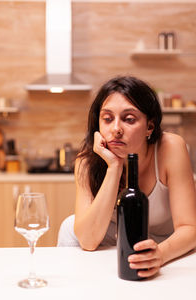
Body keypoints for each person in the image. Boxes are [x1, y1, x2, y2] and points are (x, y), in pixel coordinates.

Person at [57, 75, 196, 278]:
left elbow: (190, 227)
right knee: (70, 225)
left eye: (129, 119)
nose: (116, 129)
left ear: (150, 126)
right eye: (107, 119)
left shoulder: (171, 148)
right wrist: (114, 166)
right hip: (112, 243)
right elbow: (88, 240)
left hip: (167, 245)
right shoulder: (87, 162)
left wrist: (160, 255)